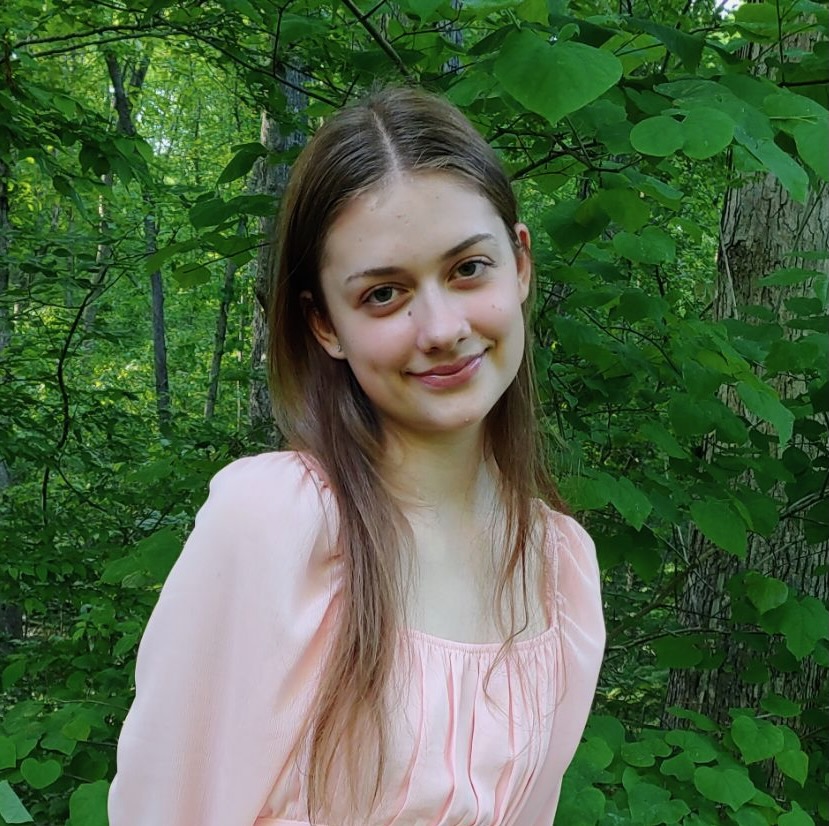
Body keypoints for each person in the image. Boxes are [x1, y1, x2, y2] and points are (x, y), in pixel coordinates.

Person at [108, 85, 605, 826]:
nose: (440, 327)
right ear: (324, 324)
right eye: (383, 294)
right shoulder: (280, 522)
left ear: (520, 265)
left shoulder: (559, 564)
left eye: (468, 269)